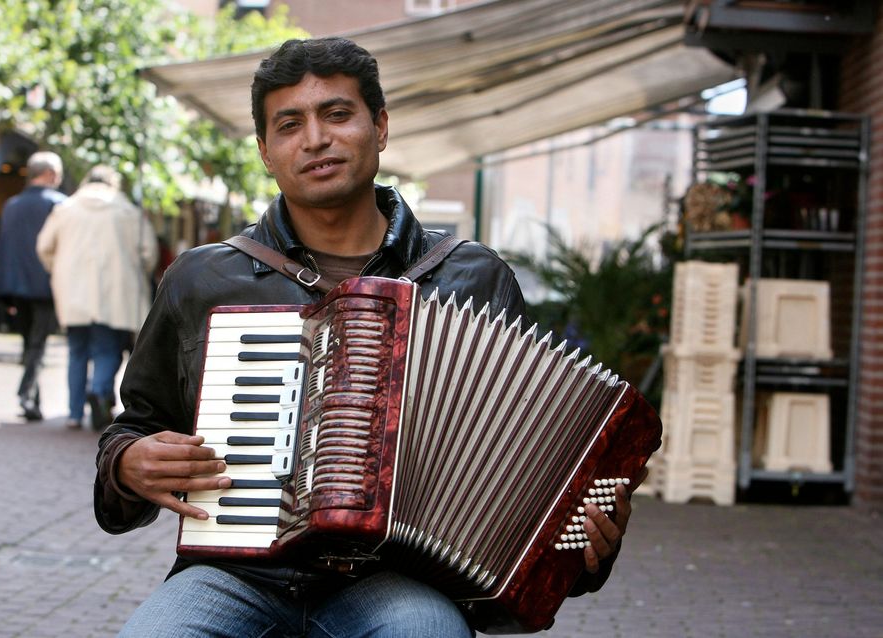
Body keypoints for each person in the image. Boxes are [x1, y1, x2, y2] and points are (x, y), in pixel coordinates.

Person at [95, 37, 632, 637]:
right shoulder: (203, 277)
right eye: (289, 124)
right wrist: (127, 465)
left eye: (337, 114)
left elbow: (537, 463)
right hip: (236, 573)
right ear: (266, 153)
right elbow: (136, 425)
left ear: (379, 127)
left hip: (398, 579)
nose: (316, 139)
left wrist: (586, 541)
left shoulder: (471, 276)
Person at [36, 165, 157, 431]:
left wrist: (58, 271)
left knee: (77, 351)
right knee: (107, 350)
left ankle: (74, 413)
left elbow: (44, 246)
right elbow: (149, 253)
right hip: (115, 292)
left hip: (73, 292)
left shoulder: (66, 208)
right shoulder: (128, 211)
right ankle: (100, 393)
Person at [0, 151, 67, 422]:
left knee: (30, 342)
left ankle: (33, 401)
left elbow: (4, 247)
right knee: (37, 344)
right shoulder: (59, 204)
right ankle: (26, 394)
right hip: (46, 285)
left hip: (16, 286)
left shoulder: (12, 205)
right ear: (49, 174)